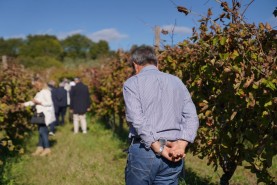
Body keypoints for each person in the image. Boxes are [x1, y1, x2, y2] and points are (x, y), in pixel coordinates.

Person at [123, 45, 199, 185]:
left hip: (145, 150)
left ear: (135, 65)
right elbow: (192, 117)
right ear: (157, 63)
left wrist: (159, 148)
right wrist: (181, 145)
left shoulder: (132, 83)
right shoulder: (177, 82)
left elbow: (137, 120)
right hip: (174, 152)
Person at [23, 78, 56, 156]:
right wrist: (23, 104)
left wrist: (39, 102)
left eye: (37, 85)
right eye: (35, 85)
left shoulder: (46, 92)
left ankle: (47, 149)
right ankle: (40, 147)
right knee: (41, 132)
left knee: (43, 132)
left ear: (41, 84)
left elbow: (49, 103)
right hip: (40, 115)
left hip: (44, 115)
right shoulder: (39, 93)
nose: (36, 87)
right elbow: (33, 102)